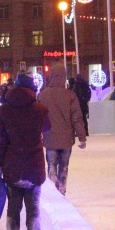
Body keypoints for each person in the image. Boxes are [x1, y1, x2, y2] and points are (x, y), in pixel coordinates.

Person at [0, 71, 52, 230]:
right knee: (33, 208)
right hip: (33, 166)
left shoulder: (3, 111)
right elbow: (47, 127)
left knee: (13, 208)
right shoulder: (40, 109)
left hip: (12, 167)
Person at [37, 63, 87, 195]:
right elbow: (77, 118)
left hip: (49, 138)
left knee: (51, 164)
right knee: (64, 166)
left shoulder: (43, 95)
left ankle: (53, 185)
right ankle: (62, 187)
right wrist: (82, 137)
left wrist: (37, 134)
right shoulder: (70, 95)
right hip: (66, 139)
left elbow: (38, 117)